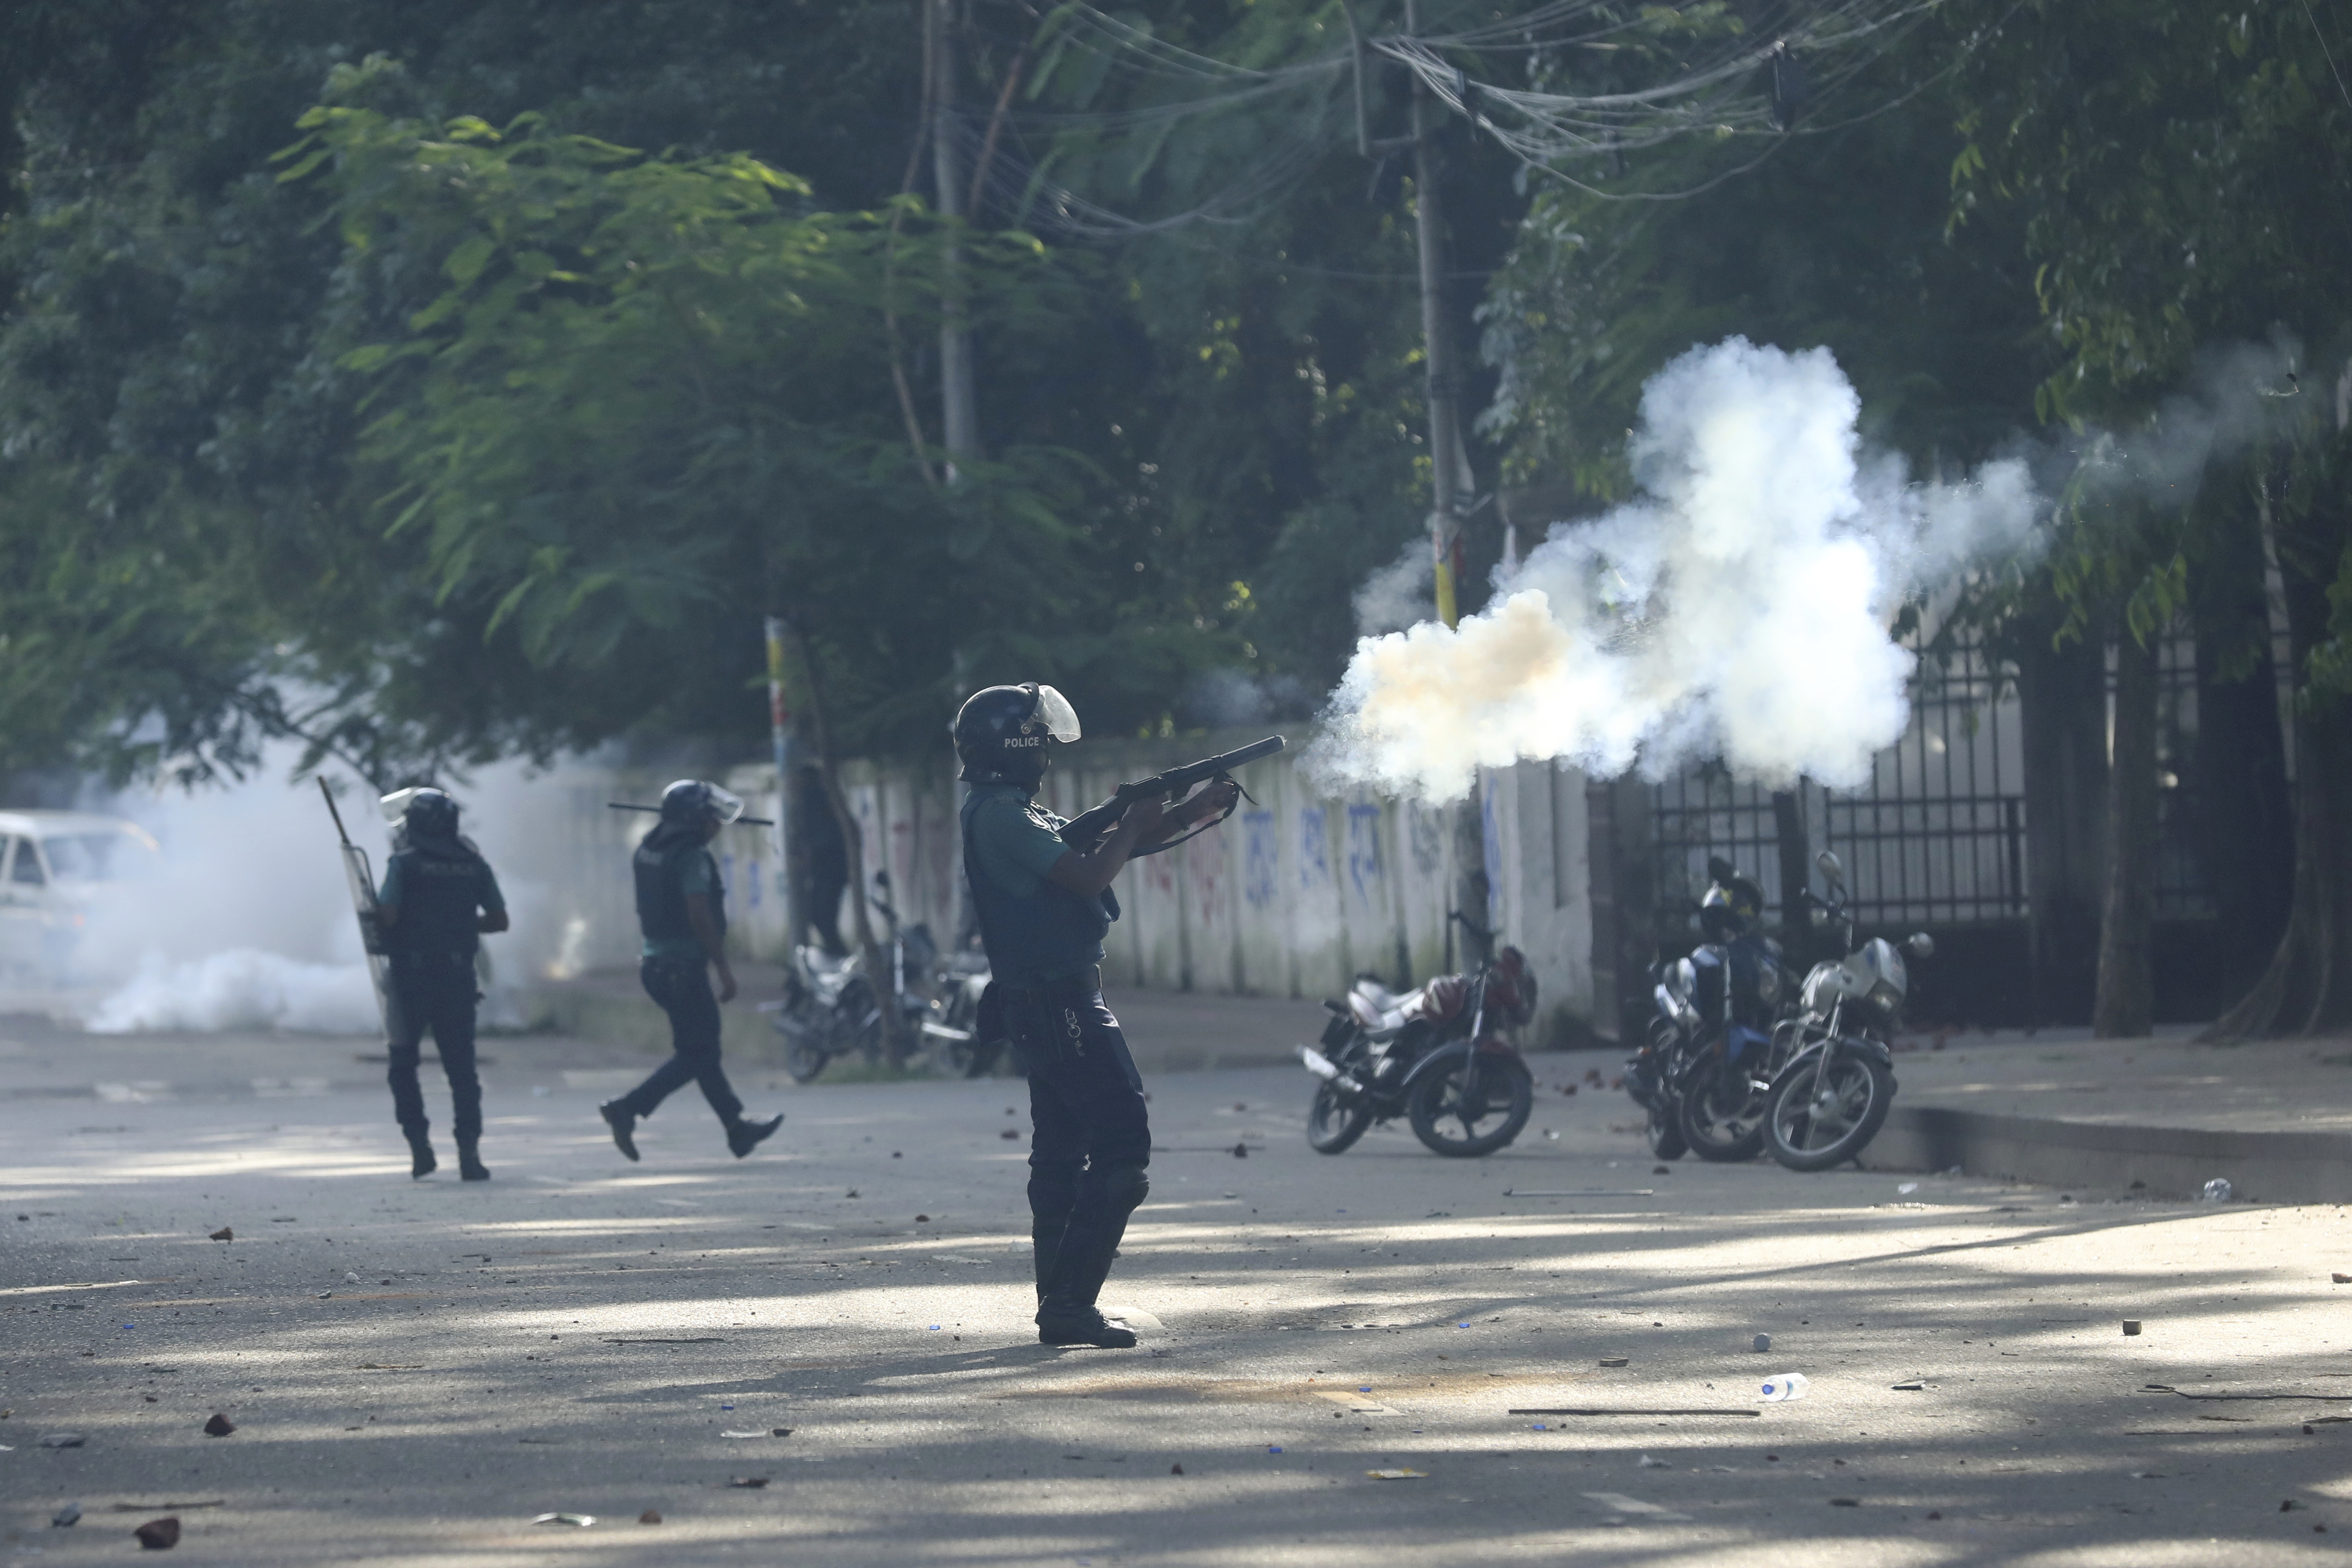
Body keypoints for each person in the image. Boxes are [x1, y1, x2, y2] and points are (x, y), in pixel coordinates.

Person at [954, 682, 1239, 1348]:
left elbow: (1105, 852)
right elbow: (1087, 876)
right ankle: (1071, 1302)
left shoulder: (1010, 811)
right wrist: (1135, 819)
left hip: (1050, 1000)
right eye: (1040, 738)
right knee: (1121, 1147)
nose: (1049, 749)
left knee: (1060, 1152)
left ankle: (1060, 1299)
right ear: (1019, 744)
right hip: (1059, 1001)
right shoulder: (1000, 816)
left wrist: (1188, 811)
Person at [599, 780, 783, 1162]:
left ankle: (737, 1129)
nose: (716, 823)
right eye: (710, 816)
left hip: (654, 966)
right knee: (698, 1054)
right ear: (693, 820)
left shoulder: (649, 848)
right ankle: (628, 1108)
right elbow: (699, 912)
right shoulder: (692, 857)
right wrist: (723, 967)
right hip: (683, 969)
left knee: (701, 1051)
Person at [376, 787, 508, 1181]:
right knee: (462, 1070)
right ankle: (469, 1153)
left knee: (403, 1064)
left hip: (409, 978)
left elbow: (387, 914)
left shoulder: (404, 864)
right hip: (457, 978)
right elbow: (499, 920)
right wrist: (462, 924)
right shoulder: (473, 863)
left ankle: (420, 1147)